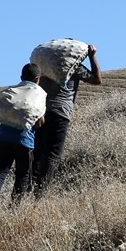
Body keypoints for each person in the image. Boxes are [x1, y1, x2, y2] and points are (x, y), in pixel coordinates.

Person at [32, 45, 101, 193]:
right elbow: (97, 79)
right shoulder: (74, 67)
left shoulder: (43, 67)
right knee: (52, 156)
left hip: (39, 112)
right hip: (60, 113)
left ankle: (30, 190)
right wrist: (91, 56)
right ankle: (41, 194)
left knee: (37, 153)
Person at [0, 64, 45, 206]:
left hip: (3, 139)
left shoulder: (12, 90)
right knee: (22, 176)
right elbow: (39, 123)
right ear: (37, 79)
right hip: (24, 141)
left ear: (21, 77)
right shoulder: (39, 94)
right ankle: (14, 209)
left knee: (0, 172)